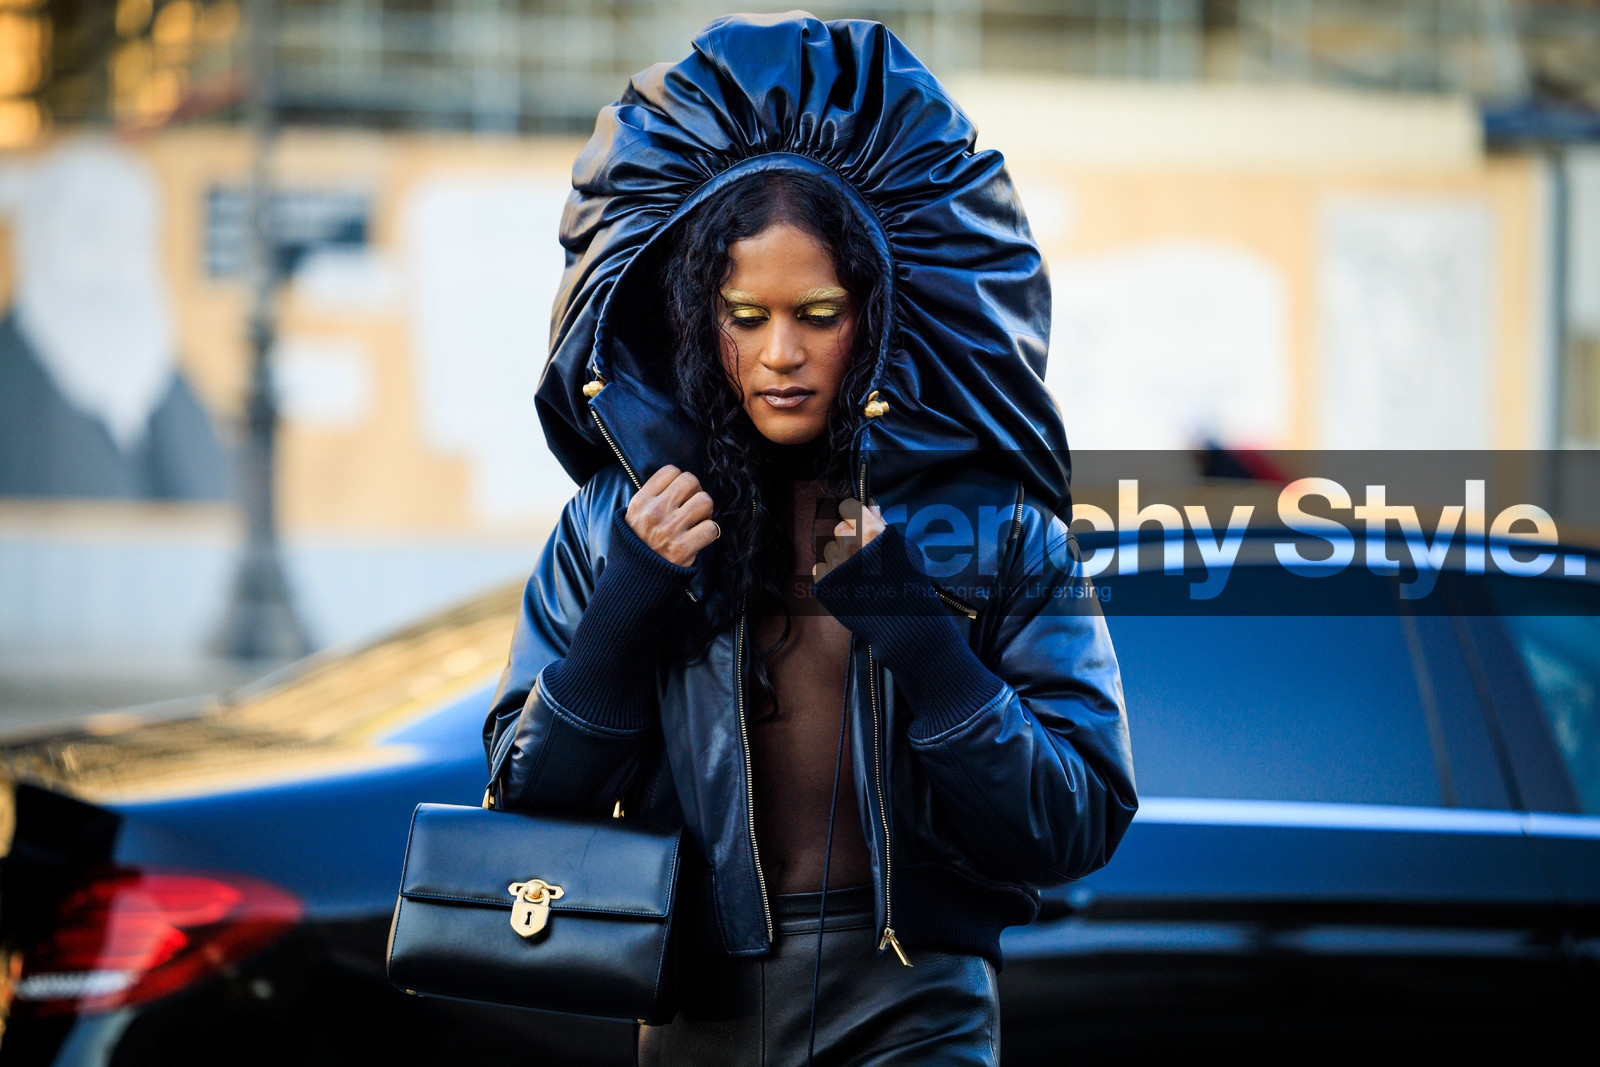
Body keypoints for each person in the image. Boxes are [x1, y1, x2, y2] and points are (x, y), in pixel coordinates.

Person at [482, 13, 1137, 1065]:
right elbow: (529, 798)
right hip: (694, 1013)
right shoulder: (616, 522)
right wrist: (626, 605)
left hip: (915, 1011)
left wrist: (919, 636)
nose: (780, 353)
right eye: (746, 315)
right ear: (700, 317)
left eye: (818, 313)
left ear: (873, 313)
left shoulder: (992, 528)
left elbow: (1075, 820)